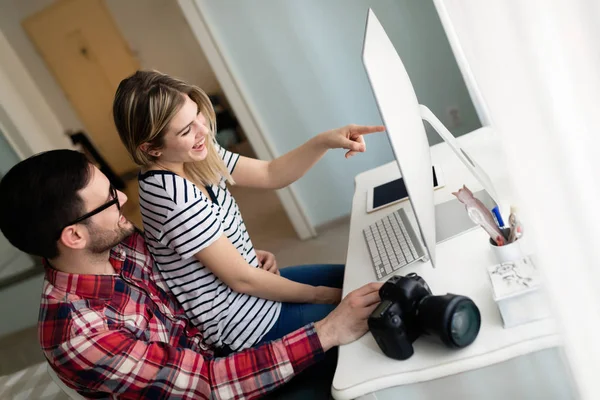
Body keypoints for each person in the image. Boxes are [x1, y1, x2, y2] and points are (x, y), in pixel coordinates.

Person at [0, 150, 382, 399]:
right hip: (222, 382)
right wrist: (329, 331)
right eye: (108, 199)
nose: (123, 198)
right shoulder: (80, 335)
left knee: (358, 280)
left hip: (224, 326)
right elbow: (209, 383)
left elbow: (186, 266)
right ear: (74, 235)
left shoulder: (117, 243)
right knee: (368, 346)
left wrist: (236, 262)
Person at [112, 70, 385, 352]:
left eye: (197, 116)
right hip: (244, 324)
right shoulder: (170, 194)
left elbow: (270, 173)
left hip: (256, 291)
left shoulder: (196, 155)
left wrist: (325, 141)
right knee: (372, 311)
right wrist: (325, 297)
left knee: (365, 279)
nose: (202, 131)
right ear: (151, 149)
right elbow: (242, 279)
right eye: (185, 130)